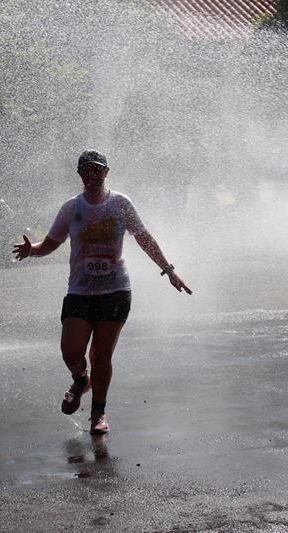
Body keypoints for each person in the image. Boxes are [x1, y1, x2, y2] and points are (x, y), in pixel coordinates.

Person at [13, 150, 192, 434]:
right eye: (86, 170)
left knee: (101, 356)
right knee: (71, 351)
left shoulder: (121, 204)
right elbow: (50, 243)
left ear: (106, 172)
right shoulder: (71, 208)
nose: (92, 175)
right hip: (80, 292)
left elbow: (143, 238)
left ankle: (98, 414)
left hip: (115, 291)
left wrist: (168, 270)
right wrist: (31, 251)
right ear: (80, 174)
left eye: (97, 169)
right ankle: (80, 378)